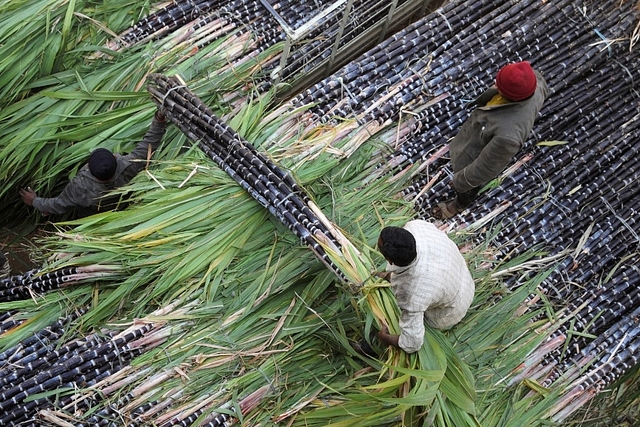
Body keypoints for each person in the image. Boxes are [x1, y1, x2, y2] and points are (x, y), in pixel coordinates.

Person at [432, 61, 549, 219]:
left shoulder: (508, 135)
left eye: (499, 85)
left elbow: (485, 168)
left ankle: (458, 205)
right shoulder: (533, 80)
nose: (495, 84)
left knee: (469, 186)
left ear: (511, 96)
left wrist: (461, 180)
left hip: (475, 156)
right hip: (487, 124)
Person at [20, 110, 167, 219]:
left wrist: (35, 201)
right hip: (120, 213)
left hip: (90, 220)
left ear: (88, 168)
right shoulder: (129, 167)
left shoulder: (81, 186)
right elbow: (148, 145)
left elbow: (59, 205)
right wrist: (159, 121)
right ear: (116, 160)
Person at [373, 219, 475, 354]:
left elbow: (412, 343)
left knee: (401, 318)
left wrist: (386, 338)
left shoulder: (412, 293)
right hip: (460, 276)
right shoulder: (416, 227)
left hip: (453, 307)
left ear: (390, 260)